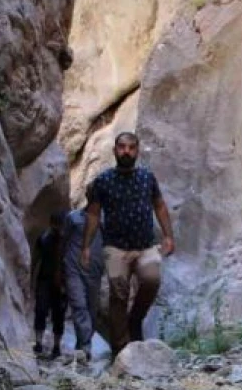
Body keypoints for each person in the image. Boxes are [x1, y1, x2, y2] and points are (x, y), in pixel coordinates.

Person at [81, 132, 175, 357]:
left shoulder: (147, 178)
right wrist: (86, 246)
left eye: (131, 148)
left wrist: (168, 236)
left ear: (137, 151)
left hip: (145, 246)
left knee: (152, 280)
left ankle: (135, 320)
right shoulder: (102, 181)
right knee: (118, 288)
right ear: (114, 150)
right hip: (116, 247)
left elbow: (159, 206)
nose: (126, 151)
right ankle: (120, 349)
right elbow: (93, 215)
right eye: (122, 147)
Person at [61, 185, 104, 361]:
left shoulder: (104, 223)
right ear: (87, 195)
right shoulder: (73, 218)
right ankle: (86, 347)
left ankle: (82, 344)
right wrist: (59, 269)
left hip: (94, 272)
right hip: (73, 268)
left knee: (91, 310)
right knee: (79, 305)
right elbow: (63, 243)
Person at [31, 211, 67, 358]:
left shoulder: (65, 241)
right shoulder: (44, 239)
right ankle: (39, 342)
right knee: (41, 310)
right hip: (45, 280)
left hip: (58, 282)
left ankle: (56, 346)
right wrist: (33, 280)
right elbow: (36, 260)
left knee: (58, 314)